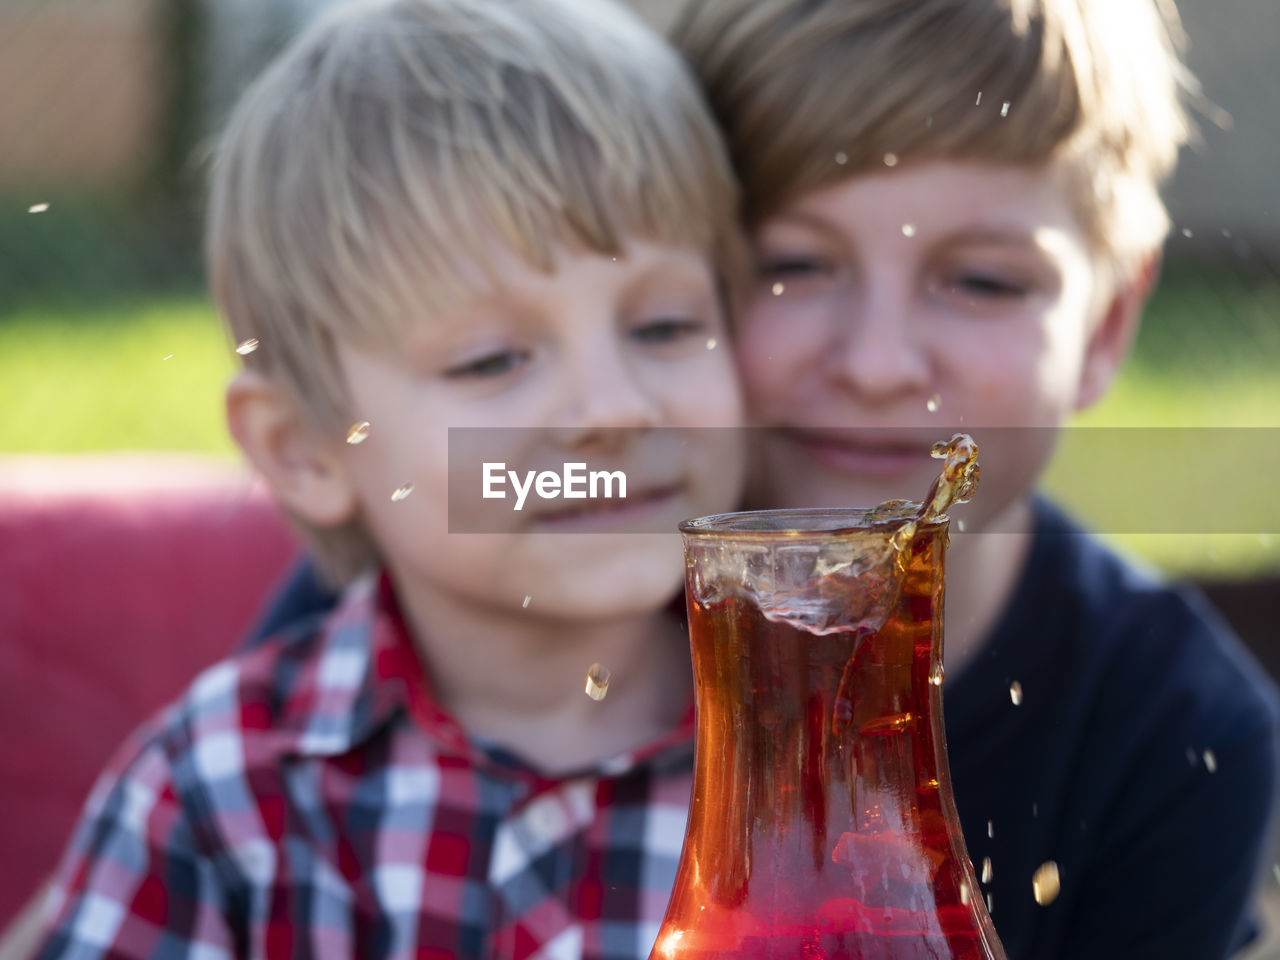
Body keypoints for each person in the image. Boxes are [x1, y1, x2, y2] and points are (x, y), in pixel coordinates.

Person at [248, 0, 1280, 957]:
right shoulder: (502, 592)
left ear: (1102, 327)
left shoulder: (1171, 734)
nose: (877, 365)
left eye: (982, 281)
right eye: (791, 265)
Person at [32, 0, 747, 955]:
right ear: (307, 450)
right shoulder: (219, 799)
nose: (616, 407)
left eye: (664, 326)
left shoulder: (829, 765)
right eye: (492, 360)